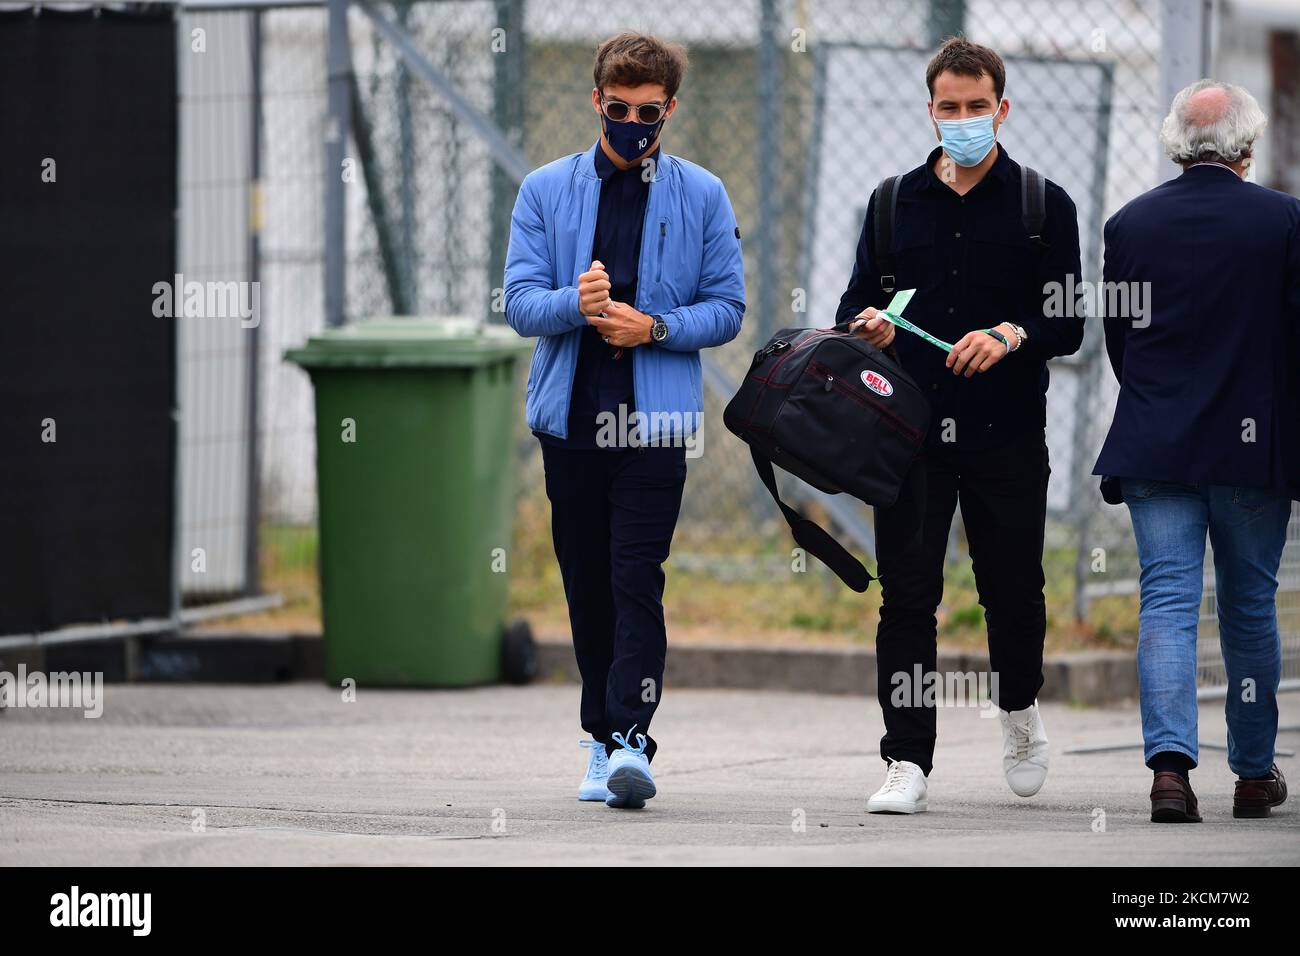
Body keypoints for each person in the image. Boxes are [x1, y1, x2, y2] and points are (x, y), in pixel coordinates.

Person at [835, 37, 1083, 814]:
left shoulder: (1045, 204)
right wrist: (866, 327)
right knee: (906, 597)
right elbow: (852, 308)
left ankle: (1018, 712)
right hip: (909, 434)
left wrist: (1011, 334)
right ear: (932, 110)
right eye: (952, 108)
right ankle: (907, 759)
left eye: (980, 107)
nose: (966, 119)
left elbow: (1067, 322)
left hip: (1006, 431)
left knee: (1012, 590)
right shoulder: (890, 203)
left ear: (1002, 109)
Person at [503, 32, 745, 809]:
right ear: (595, 101)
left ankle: (633, 738)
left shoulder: (702, 193)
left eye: (649, 111)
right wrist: (578, 304)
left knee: (635, 576)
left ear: (670, 109)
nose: (633, 122)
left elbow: (729, 308)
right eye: (619, 108)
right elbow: (518, 305)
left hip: (655, 424)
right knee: (587, 584)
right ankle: (599, 739)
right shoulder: (545, 189)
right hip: (569, 422)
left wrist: (656, 328)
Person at [1094, 78, 1298, 822]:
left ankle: (1171, 776)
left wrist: (1159, 409)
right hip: (1252, 451)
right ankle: (1251, 773)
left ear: (1177, 141)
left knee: (1168, 604)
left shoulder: (1130, 224)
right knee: (1248, 609)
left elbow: (1122, 340)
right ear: (1247, 145)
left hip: (1156, 447)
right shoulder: (1283, 220)